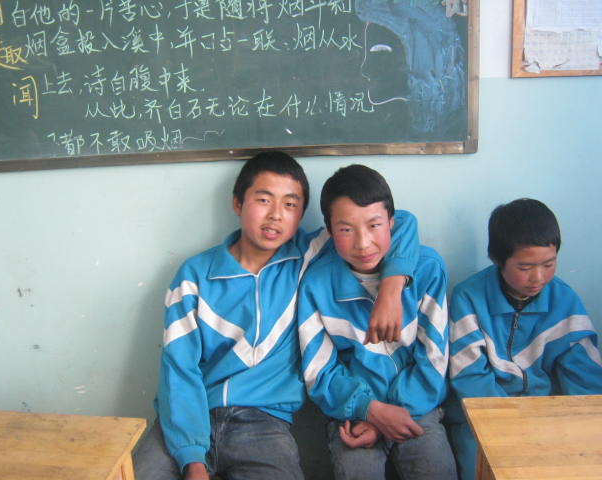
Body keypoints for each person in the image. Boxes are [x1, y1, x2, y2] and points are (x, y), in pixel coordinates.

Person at [132, 152, 420, 480]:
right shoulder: (194, 276)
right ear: (238, 203)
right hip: (186, 420)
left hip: (263, 425)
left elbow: (402, 221)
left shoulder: (309, 254)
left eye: (290, 204)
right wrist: (192, 461)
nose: (275, 215)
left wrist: (391, 289)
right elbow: (179, 370)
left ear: (301, 215)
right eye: (264, 200)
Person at [297, 164, 457, 480]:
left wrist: (392, 414)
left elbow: (434, 359)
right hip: (353, 410)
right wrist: (371, 411)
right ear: (329, 231)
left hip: (418, 405)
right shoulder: (316, 286)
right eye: (346, 230)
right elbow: (320, 373)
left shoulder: (427, 269)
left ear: (392, 223)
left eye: (374, 225)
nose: (363, 243)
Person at [447, 198, 602, 480]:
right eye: (525, 267)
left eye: (549, 264)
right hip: (481, 416)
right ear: (497, 259)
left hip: (545, 414)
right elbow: (469, 376)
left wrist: (580, 425)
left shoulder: (564, 301)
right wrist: (511, 423)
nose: (538, 277)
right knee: (483, 468)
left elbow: (585, 379)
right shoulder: (469, 298)